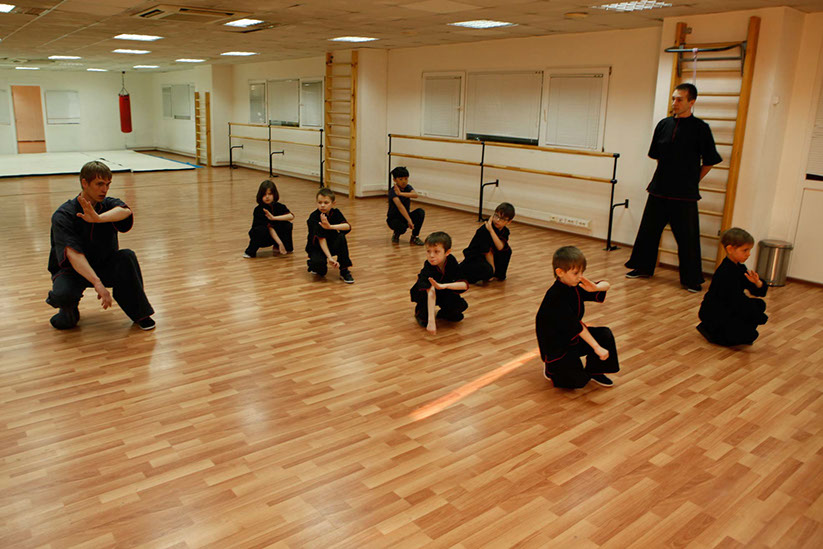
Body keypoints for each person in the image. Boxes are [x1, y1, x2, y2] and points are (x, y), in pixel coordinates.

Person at [625, 83, 723, 292]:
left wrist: (692, 180)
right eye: (673, 99)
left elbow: (710, 161)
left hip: (684, 195)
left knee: (687, 238)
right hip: (659, 190)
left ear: (691, 102)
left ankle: (691, 279)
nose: (674, 103)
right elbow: (657, 156)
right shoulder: (663, 125)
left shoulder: (701, 129)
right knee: (648, 232)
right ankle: (642, 267)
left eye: (679, 99)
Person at [46, 161, 155, 330]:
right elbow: (74, 255)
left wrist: (98, 218)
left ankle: (141, 314)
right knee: (63, 297)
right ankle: (68, 312)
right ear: (84, 183)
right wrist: (97, 283)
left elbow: (125, 211)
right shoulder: (63, 215)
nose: (104, 189)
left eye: (108, 184)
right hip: (73, 271)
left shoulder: (108, 205)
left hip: (104, 265)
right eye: (99, 184)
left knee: (127, 257)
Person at [536, 246, 619, 388]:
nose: (580, 276)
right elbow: (576, 326)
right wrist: (596, 347)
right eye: (576, 273)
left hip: (572, 338)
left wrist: (596, 288)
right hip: (557, 347)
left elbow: (606, 285)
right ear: (560, 272)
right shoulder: (555, 297)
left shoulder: (574, 284)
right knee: (577, 382)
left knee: (604, 334)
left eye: (582, 272)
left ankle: (595, 371)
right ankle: (551, 368)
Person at [697, 228, 768, 346]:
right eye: (745, 250)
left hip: (729, 308)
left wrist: (757, 283)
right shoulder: (725, 272)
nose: (748, 254)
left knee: (760, 305)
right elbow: (735, 301)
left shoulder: (740, 267)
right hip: (716, 312)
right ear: (730, 249)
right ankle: (710, 330)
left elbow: (756, 291)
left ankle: (719, 330)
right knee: (750, 335)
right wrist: (758, 317)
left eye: (749, 250)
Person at [410, 231, 468, 334]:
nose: (431, 255)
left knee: (457, 313)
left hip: (443, 291)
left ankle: (444, 312)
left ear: (447, 252)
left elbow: (464, 285)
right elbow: (430, 292)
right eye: (428, 251)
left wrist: (444, 286)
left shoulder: (451, 261)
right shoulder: (428, 267)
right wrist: (431, 321)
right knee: (424, 321)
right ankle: (421, 311)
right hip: (426, 295)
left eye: (436, 251)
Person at [306, 188, 354, 283]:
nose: (322, 205)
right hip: (318, 247)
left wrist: (330, 227)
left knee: (341, 237)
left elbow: (347, 226)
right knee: (320, 271)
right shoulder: (313, 217)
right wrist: (330, 258)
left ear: (333, 203)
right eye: (320, 202)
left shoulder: (336, 213)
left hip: (332, 244)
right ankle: (313, 264)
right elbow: (321, 239)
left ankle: (344, 270)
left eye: (326, 202)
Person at [460, 202, 515, 283]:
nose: (497, 220)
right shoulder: (484, 230)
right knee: (488, 271)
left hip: (487, 257)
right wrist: (492, 271)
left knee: (507, 251)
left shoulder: (504, 231)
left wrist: (491, 231)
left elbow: (500, 247)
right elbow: (488, 252)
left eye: (502, 219)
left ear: (509, 221)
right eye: (496, 216)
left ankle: (497, 274)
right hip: (475, 258)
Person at [243, 180, 294, 258]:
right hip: (263, 236)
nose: (267, 197)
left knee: (287, 225)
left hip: (274, 234)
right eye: (264, 194)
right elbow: (270, 228)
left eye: (270, 194)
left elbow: (291, 216)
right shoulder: (258, 209)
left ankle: (282, 247)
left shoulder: (279, 206)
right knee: (261, 230)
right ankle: (250, 251)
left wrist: (274, 218)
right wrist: (280, 243)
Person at [387, 166, 425, 245]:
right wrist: (409, 220)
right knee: (402, 228)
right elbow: (400, 207)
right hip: (393, 219)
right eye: (401, 179)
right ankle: (396, 234)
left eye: (406, 179)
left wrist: (401, 194)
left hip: (405, 216)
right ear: (394, 180)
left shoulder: (408, 187)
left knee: (420, 212)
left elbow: (415, 195)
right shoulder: (393, 191)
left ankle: (415, 237)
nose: (404, 181)